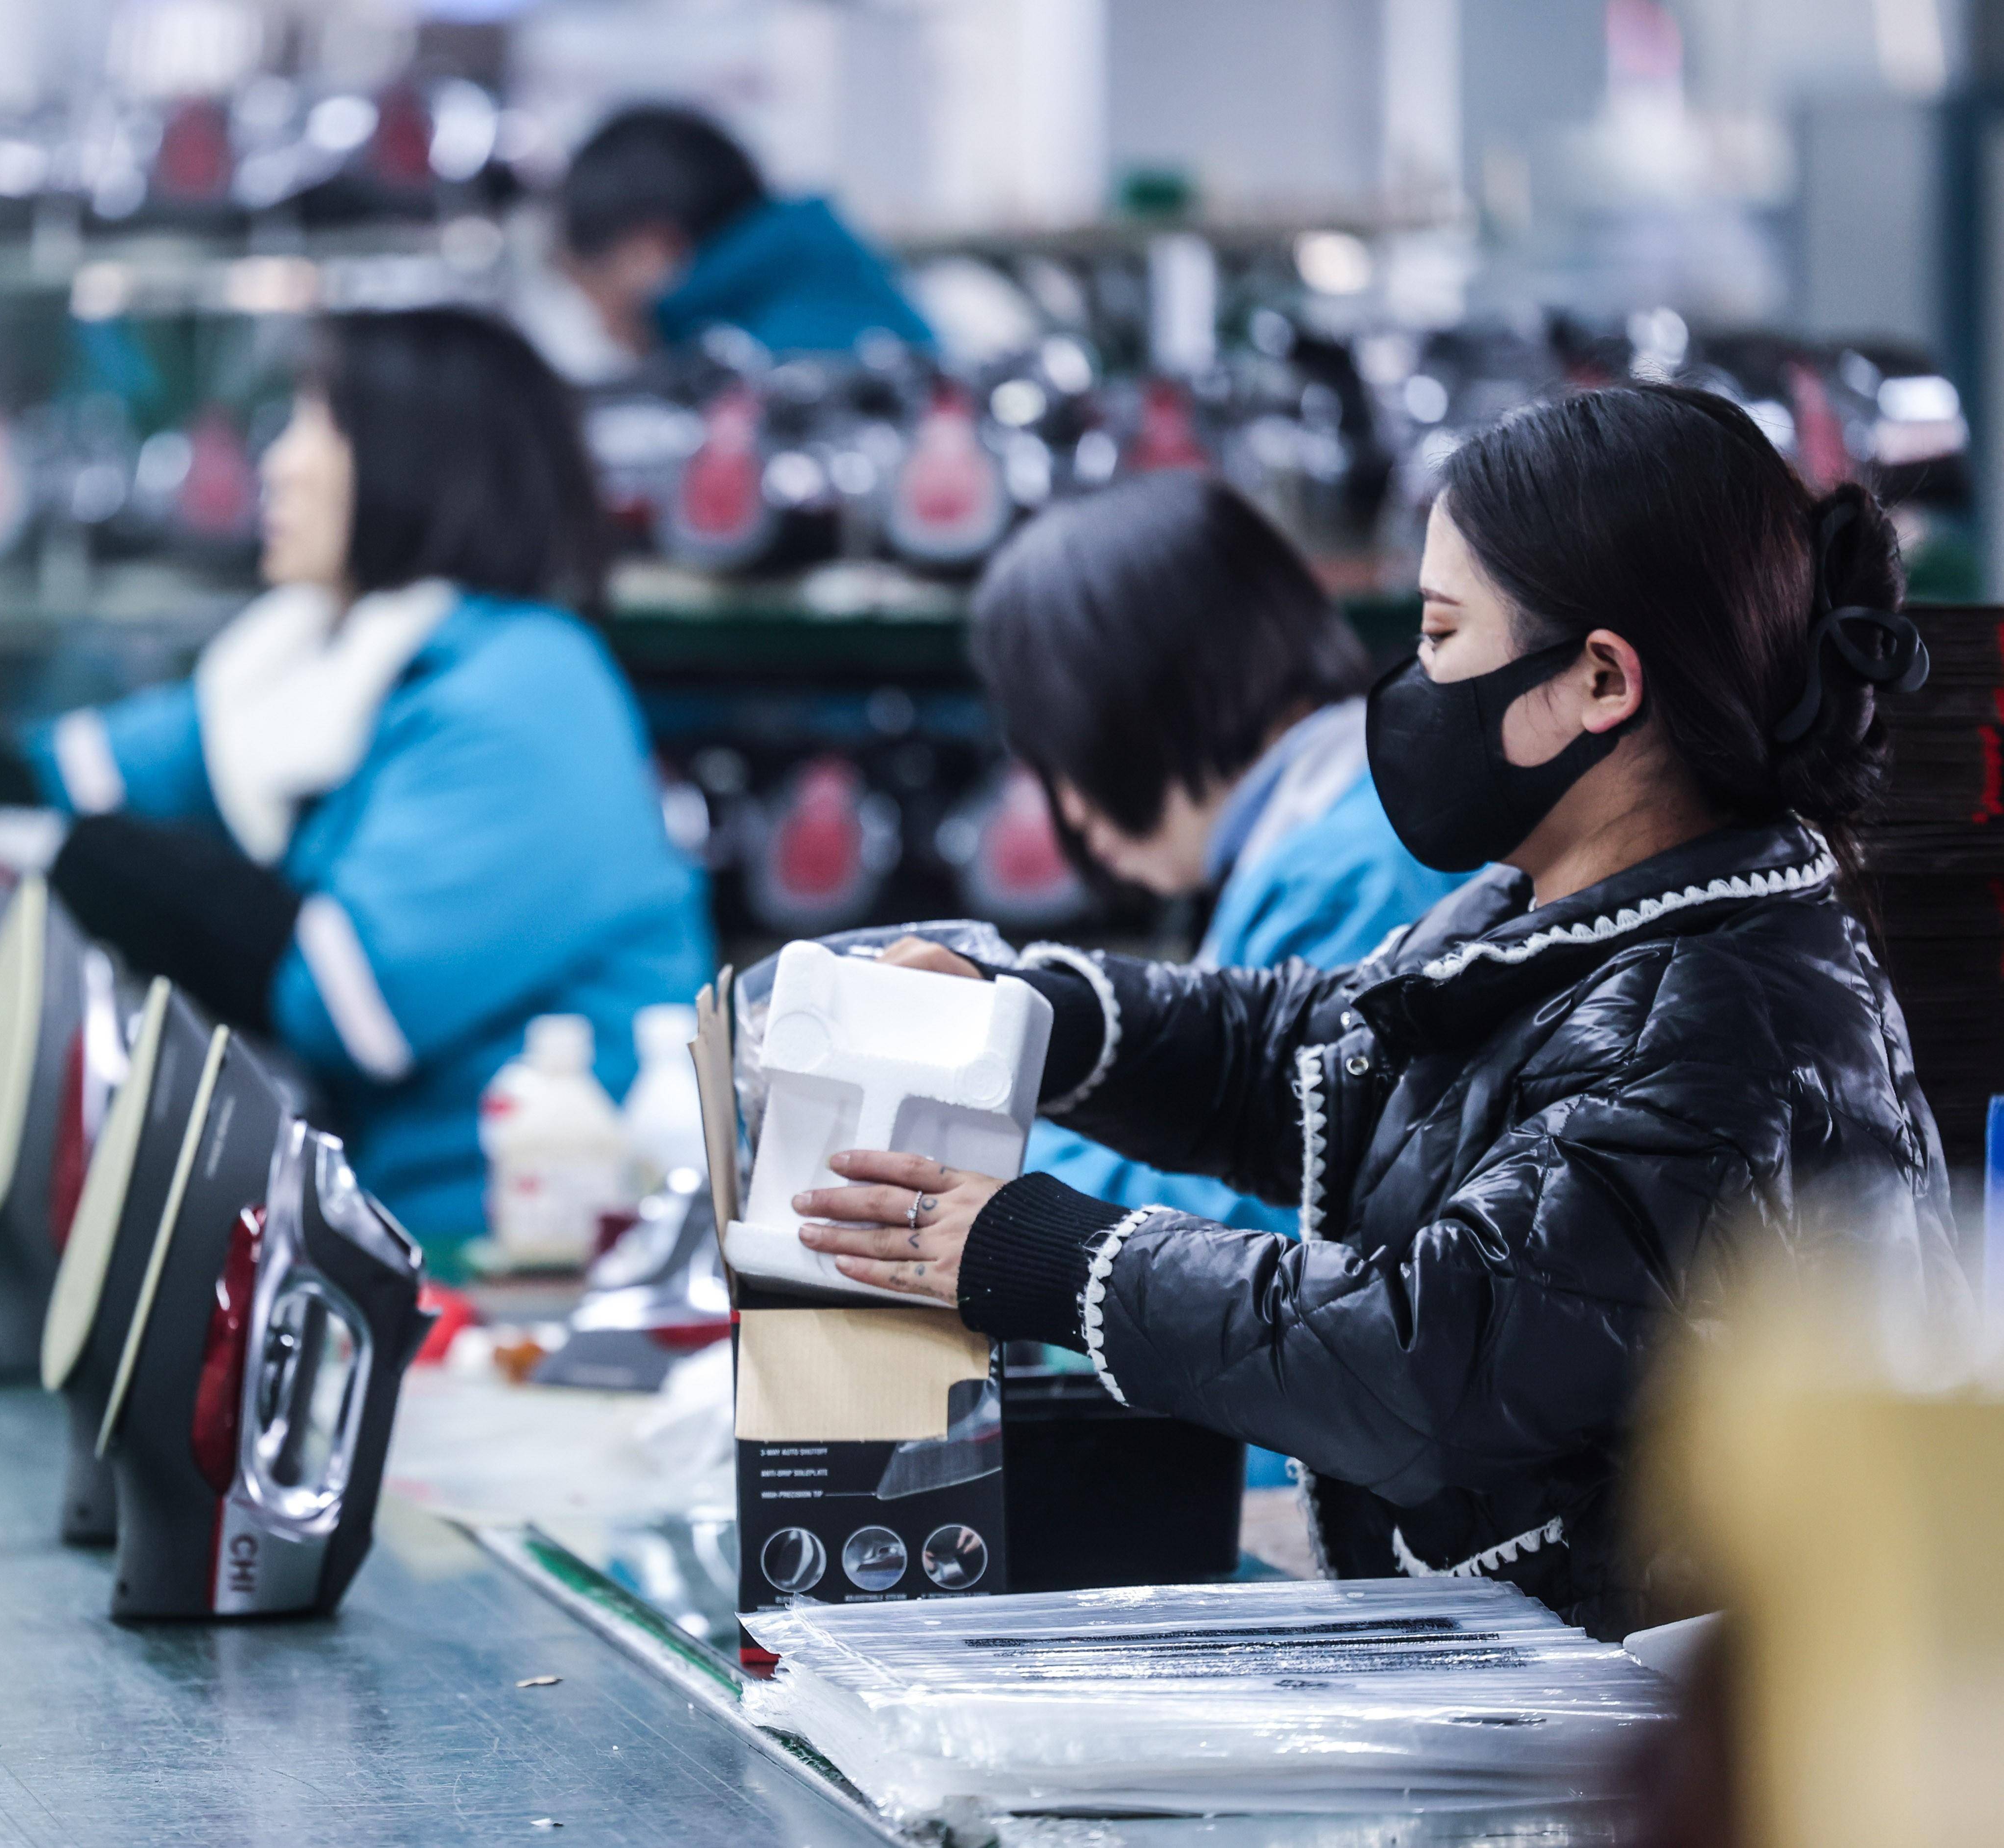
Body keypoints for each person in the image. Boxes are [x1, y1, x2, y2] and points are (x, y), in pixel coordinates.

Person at [789, 384, 1958, 1637]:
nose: (1413, 681)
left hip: (1677, 1708)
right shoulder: (1541, 915)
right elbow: (1295, 1059)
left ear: (1598, 680)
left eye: (1443, 634)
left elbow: (1426, 1356)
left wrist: (1050, 1256)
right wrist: (1030, 1017)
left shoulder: (1723, 1015)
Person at [0, 309, 712, 1262]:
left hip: (531, 1264)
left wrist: (77, 860)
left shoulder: (524, 689)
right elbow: (32, 775)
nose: (277, 465)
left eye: (317, 426)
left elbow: (348, 999)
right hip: (395, 1243)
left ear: (423, 459)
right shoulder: (311, 669)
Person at [969, 474, 1469, 1238]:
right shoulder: (1358, 816)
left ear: (1137, 701)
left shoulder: (1353, 873)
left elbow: (1271, 1206)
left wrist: (980, 1165)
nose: (1069, 811)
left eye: (1063, 754)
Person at [556, 104, 932, 361]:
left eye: (594, 292)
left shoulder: (775, 375)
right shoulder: (840, 298)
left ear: (651, 251)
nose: (605, 330)